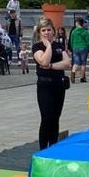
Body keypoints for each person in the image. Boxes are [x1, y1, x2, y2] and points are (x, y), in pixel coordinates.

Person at [33, 17, 71, 149]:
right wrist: (48, 46)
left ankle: (53, 146)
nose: (46, 32)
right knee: (46, 117)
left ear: (53, 31)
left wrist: (51, 66)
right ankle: (43, 148)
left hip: (58, 85)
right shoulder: (37, 46)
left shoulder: (59, 46)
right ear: (40, 33)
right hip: (44, 86)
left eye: (49, 30)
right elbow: (43, 61)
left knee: (55, 118)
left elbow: (67, 63)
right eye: (43, 30)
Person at [69, 18, 89, 84]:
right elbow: (88, 42)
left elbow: (71, 41)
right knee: (83, 63)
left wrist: (73, 48)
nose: (75, 24)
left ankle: (73, 74)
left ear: (78, 23)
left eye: (76, 22)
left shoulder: (74, 31)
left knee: (76, 62)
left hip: (75, 48)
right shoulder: (85, 31)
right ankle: (82, 78)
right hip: (84, 47)